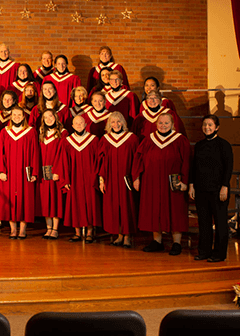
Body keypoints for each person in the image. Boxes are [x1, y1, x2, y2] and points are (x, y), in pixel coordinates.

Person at [132, 112, 190, 255]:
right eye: (160, 123)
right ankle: (157, 241)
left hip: (173, 182)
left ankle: (176, 243)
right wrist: (136, 177)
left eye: (166, 123)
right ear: (156, 124)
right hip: (151, 181)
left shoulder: (180, 140)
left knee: (175, 210)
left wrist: (184, 181)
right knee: (154, 209)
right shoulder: (148, 139)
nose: (163, 126)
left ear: (172, 125)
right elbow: (138, 158)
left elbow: (187, 162)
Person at [189, 114, 234, 262]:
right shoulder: (199, 145)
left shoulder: (224, 145)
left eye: (210, 125)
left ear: (217, 127)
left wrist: (225, 186)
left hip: (218, 190)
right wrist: (191, 185)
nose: (207, 127)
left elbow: (228, 168)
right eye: (205, 125)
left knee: (220, 223)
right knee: (204, 222)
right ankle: (204, 251)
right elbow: (193, 168)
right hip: (201, 189)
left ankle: (219, 254)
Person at [0, 106, 40, 238]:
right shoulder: (4, 132)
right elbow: (0, 153)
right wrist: (1, 171)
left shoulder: (31, 132)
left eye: (19, 115)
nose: (16, 117)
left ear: (24, 116)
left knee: (24, 199)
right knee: (10, 200)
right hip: (8, 171)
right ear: (10, 116)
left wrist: (34, 172)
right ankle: (13, 229)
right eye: (14, 115)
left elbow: (34, 153)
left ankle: (23, 229)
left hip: (24, 172)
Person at [97, 111, 139, 248]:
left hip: (126, 178)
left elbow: (137, 160)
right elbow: (101, 161)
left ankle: (127, 236)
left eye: (119, 121)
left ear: (123, 123)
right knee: (114, 206)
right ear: (109, 124)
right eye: (113, 122)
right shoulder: (105, 139)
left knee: (127, 206)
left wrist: (135, 178)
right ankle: (119, 234)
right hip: (110, 178)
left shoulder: (131, 138)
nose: (116, 124)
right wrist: (102, 180)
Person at [58, 115, 101, 243]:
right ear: (72, 126)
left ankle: (89, 232)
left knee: (90, 203)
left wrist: (96, 178)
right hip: (74, 178)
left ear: (85, 124)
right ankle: (77, 232)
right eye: (76, 123)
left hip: (90, 177)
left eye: (81, 123)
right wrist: (66, 180)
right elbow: (64, 162)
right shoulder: (67, 141)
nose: (78, 125)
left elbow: (98, 160)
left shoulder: (93, 140)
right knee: (75, 203)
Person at [37, 109, 66, 239]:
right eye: (45, 117)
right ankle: (48, 228)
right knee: (45, 200)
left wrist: (58, 171)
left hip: (55, 171)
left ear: (56, 117)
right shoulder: (42, 133)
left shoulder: (63, 133)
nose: (48, 119)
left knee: (55, 200)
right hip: (43, 171)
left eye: (51, 116)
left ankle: (55, 228)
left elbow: (63, 155)